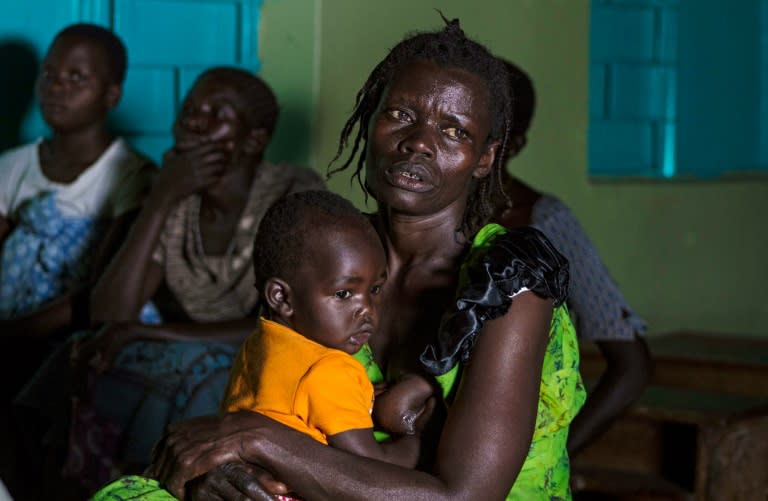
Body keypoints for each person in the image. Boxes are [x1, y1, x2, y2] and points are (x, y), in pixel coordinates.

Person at [143, 17, 587, 501]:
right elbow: (273, 400)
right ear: (369, 119)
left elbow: (465, 498)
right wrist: (227, 472)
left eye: (454, 130)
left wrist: (253, 438)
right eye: (399, 114)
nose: (418, 142)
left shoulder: (507, 287)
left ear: (485, 158)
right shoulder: (325, 252)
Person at [13, 66, 325, 497]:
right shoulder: (175, 198)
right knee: (76, 354)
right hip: (193, 344)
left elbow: (294, 325)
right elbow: (109, 312)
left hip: (270, 355)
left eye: (217, 113)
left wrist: (150, 332)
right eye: (190, 109)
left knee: (197, 377)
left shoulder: (292, 194)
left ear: (253, 140)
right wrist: (162, 197)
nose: (194, 120)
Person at [0, 23, 153, 496]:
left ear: (111, 94)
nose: (56, 88)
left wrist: (9, 333)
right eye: (49, 75)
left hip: (73, 328)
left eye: (76, 78)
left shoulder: (130, 174)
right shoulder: (13, 166)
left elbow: (99, 289)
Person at [492, 60, 652, 456]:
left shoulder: (545, 222)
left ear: (515, 145)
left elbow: (632, 366)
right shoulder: (419, 214)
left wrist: (558, 455)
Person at [223, 190, 431, 474]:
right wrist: (419, 440)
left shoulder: (259, 345)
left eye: (375, 289)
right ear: (281, 298)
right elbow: (372, 470)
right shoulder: (330, 371)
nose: (367, 309)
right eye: (344, 293)